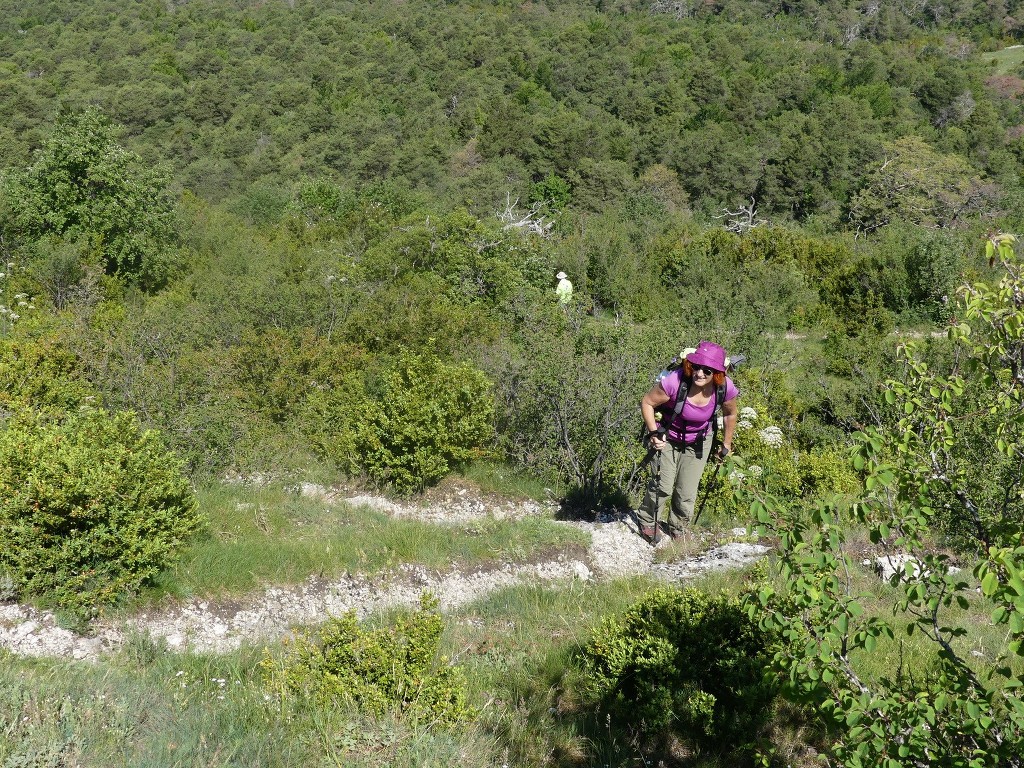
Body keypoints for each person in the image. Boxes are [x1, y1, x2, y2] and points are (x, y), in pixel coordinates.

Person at [635, 340, 738, 543]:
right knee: (662, 486)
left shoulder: (724, 387)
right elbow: (647, 402)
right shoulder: (675, 381)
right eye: (697, 367)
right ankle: (647, 521)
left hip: (699, 440)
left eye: (707, 371)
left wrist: (726, 443)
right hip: (667, 437)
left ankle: (678, 528)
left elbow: (730, 414)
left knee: (687, 491)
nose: (700, 373)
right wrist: (654, 433)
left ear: (717, 374)